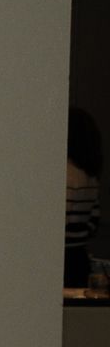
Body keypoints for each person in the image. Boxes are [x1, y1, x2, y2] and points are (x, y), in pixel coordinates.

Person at [66, 107, 100, 289]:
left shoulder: (66, 176)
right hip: (80, 255)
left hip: (65, 255)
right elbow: (93, 221)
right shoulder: (90, 177)